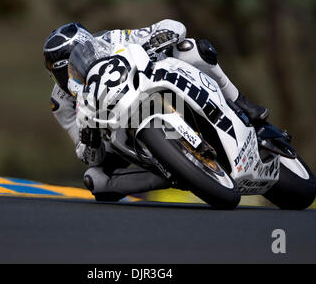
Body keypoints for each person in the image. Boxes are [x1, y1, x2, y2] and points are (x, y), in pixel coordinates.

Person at [43, 20, 269, 201]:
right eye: (62, 72)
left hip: (148, 84)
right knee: (95, 180)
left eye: (78, 59)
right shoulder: (61, 102)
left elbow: (168, 27)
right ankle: (178, 171)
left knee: (190, 49)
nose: (70, 75)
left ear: (92, 45)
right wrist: (89, 138)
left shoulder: (110, 39)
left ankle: (240, 101)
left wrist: (161, 38)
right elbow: (88, 157)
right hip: (117, 132)